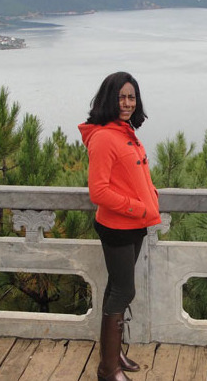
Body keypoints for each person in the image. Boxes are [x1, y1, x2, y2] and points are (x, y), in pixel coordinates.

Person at [79, 72, 161, 381]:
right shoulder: (103, 137)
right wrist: (138, 206)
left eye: (131, 97)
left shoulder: (124, 131)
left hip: (134, 224)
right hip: (117, 225)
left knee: (116, 288)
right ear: (109, 98)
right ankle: (107, 368)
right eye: (121, 97)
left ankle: (113, 355)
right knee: (124, 289)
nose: (127, 103)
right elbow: (98, 192)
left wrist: (149, 196)